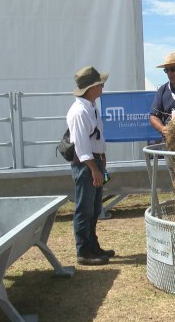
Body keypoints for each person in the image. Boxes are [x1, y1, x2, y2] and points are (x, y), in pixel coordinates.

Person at [66, 66, 115, 265]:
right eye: (100, 84)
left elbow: (94, 139)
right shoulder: (79, 112)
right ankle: (84, 251)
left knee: (94, 208)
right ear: (92, 88)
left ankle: (92, 246)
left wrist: (101, 158)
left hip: (93, 162)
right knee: (85, 208)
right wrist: (94, 168)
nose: (103, 87)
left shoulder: (90, 107)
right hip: (86, 164)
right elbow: (81, 146)